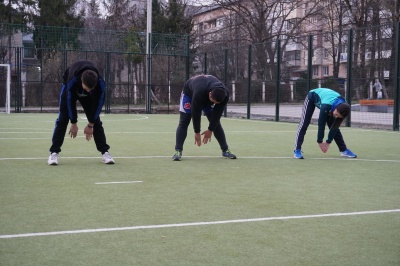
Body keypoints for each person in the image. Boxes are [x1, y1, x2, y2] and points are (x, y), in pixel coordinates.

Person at [48, 61, 114, 165]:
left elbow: (98, 104)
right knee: (62, 119)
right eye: (86, 88)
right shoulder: (72, 81)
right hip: (70, 89)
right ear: (82, 80)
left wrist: (91, 124)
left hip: (88, 95)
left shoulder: (100, 84)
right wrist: (73, 122)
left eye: (90, 89)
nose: (87, 91)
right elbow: (69, 102)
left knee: (96, 121)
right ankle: (54, 153)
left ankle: (105, 152)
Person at [172, 74, 236, 161]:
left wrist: (210, 130)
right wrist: (197, 132)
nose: (215, 104)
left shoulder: (224, 95)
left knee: (216, 123)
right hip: (190, 94)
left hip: (206, 96)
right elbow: (196, 113)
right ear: (210, 94)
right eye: (213, 101)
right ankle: (178, 151)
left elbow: (217, 115)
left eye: (216, 103)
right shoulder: (199, 92)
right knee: (184, 121)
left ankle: (225, 150)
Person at [294, 88, 357, 159]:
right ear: (335, 109)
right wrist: (320, 141)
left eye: (338, 116)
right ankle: (297, 150)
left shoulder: (344, 108)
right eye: (336, 114)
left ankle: (343, 150)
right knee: (304, 123)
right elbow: (321, 124)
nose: (336, 116)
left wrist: (328, 142)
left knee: (334, 125)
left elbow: (334, 127)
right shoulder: (326, 106)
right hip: (312, 97)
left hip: (329, 103)